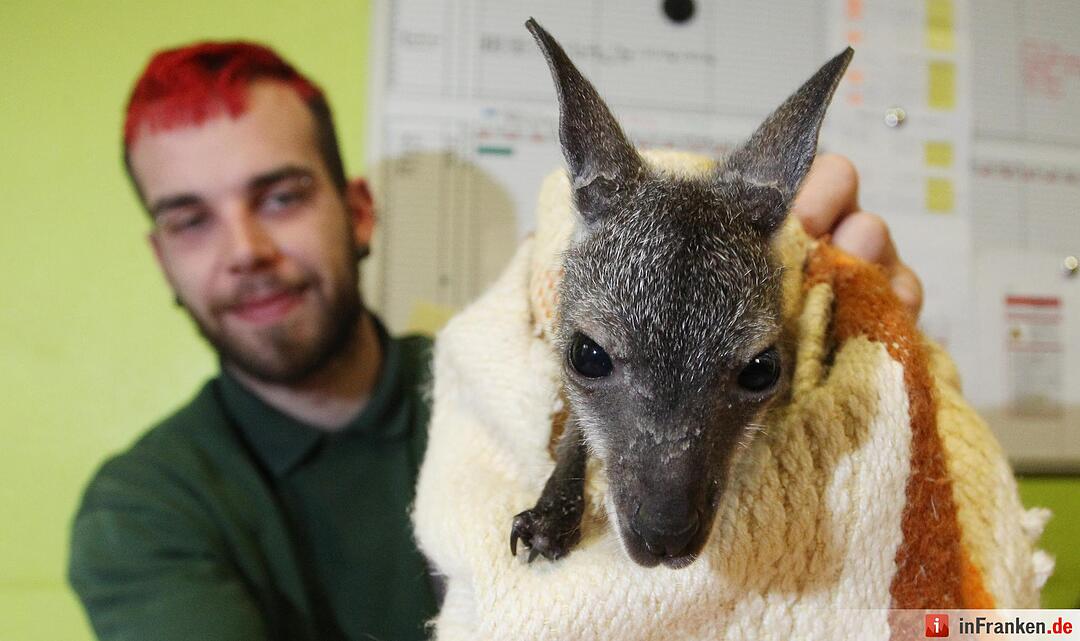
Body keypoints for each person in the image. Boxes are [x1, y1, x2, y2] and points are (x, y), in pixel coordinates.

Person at [67, 40, 923, 641]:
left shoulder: (488, 364)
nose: (245, 250)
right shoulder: (143, 510)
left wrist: (872, 428)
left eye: (281, 196)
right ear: (160, 256)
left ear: (359, 210)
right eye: (190, 220)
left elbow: (994, 624)